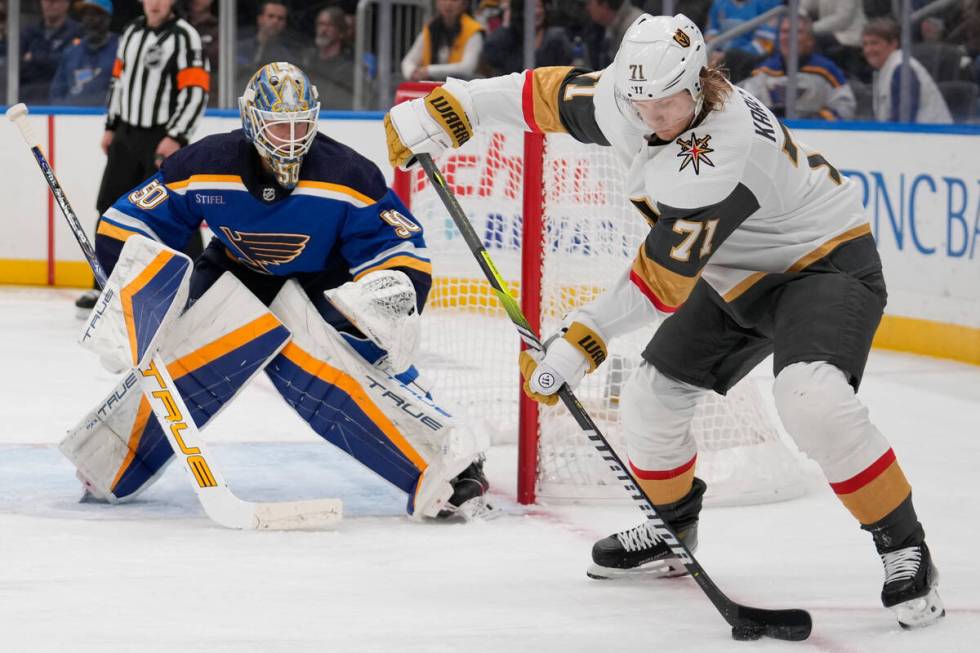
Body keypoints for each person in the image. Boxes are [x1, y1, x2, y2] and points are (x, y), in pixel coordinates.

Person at [384, 12, 945, 629]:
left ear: (701, 82)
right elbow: (540, 93)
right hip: (735, 274)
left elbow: (661, 279)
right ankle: (672, 528)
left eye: (669, 102)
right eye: (641, 100)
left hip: (824, 264)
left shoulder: (723, 148)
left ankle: (904, 545)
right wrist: (451, 105)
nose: (654, 117)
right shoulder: (627, 96)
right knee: (652, 398)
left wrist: (582, 339)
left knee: (811, 398)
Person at [65, 62, 491, 521]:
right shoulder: (205, 164)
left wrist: (390, 298)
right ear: (252, 121)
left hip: (322, 281)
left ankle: (452, 459)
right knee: (180, 359)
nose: (290, 137)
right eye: (278, 125)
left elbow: (398, 244)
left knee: (347, 367)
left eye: (299, 124)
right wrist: (132, 302)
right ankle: (109, 460)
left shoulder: (348, 173)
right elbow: (127, 223)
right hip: (235, 269)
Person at [75, 0, 207, 313]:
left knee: (175, 211)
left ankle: (200, 287)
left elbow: (197, 91)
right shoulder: (132, 31)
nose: (156, 3)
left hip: (162, 137)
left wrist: (176, 135)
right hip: (126, 135)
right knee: (110, 209)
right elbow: (117, 82)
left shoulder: (186, 37)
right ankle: (103, 284)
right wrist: (111, 126)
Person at [740, 12, 856, 120]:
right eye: (784, 31)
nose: (788, 37)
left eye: (796, 32)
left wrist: (818, 119)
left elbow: (846, 107)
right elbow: (746, 108)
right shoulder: (764, 71)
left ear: (810, 40)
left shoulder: (827, 71)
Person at [861, 17, 953, 124]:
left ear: (893, 44)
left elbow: (904, 119)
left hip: (931, 137)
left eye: (874, 43)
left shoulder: (902, 69)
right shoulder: (887, 68)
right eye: (865, 44)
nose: (868, 50)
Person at [49, 0, 118, 106]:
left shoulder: (120, 51)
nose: (89, 20)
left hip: (106, 119)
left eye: (95, 14)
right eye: (86, 14)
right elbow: (56, 94)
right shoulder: (71, 52)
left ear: (107, 18)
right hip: (71, 119)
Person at [481, 0, 573, 76]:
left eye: (539, 7)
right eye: (532, 8)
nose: (537, 12)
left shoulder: (556, 38)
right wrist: (506, 23)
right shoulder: (509, 37)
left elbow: (566, 71)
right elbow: (491, 56)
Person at [401, 0, 484, 81]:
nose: (448, 3)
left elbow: (467, 68)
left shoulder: (474, 31)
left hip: (464, 87)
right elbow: (407, 61)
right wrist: (412, 73)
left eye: (454, 0)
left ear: (465, 4)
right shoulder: (430, 28)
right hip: (432, 87)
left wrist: (429, 71)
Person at [19, 0, 82, 103]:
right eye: (47, 0)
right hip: (27, 96)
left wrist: (34, 58)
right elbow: (17, 65)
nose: (50, 4)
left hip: (63, 96)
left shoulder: (77, 31)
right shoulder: (29, 32)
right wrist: (51, 60)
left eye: (55, 0)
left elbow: (69, 63)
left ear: (67, 3)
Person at [302, 6, 355, 109]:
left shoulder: (348, 68)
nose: (323, 29)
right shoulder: (307, 61)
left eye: (330, 25)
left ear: (341, 32)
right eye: (320, 24)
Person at [236, 0, 293, 80]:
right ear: (260, 19)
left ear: (285, 24)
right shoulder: (240, 49)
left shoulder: (285, 57)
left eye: (280, 18)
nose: (275, 21)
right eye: (271, 16)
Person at [583, 0, 644, 69]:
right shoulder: (610, 26)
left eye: (590, 3)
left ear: (604, 4)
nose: (587, 8)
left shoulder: (635, 27)